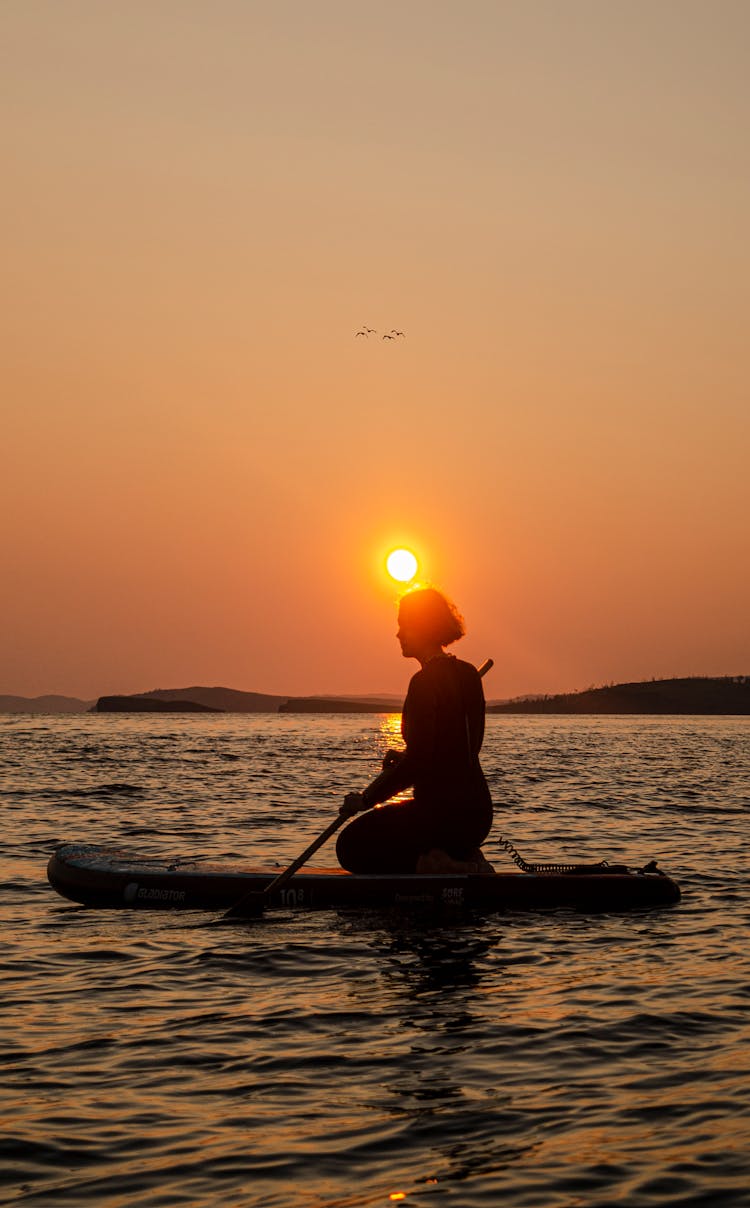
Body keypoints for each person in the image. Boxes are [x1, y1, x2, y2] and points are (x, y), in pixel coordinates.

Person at [336, 586, 495, 875]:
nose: (398, 634)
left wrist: (366, 800)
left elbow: (421, 762)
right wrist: (407, 754)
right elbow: (464, 749)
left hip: (442, 815)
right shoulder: (469, 673)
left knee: (349, 846)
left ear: (422, 628)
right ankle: (459, 856)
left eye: (403, 626)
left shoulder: (423, 682)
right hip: (478, 815)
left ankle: (441, 864)